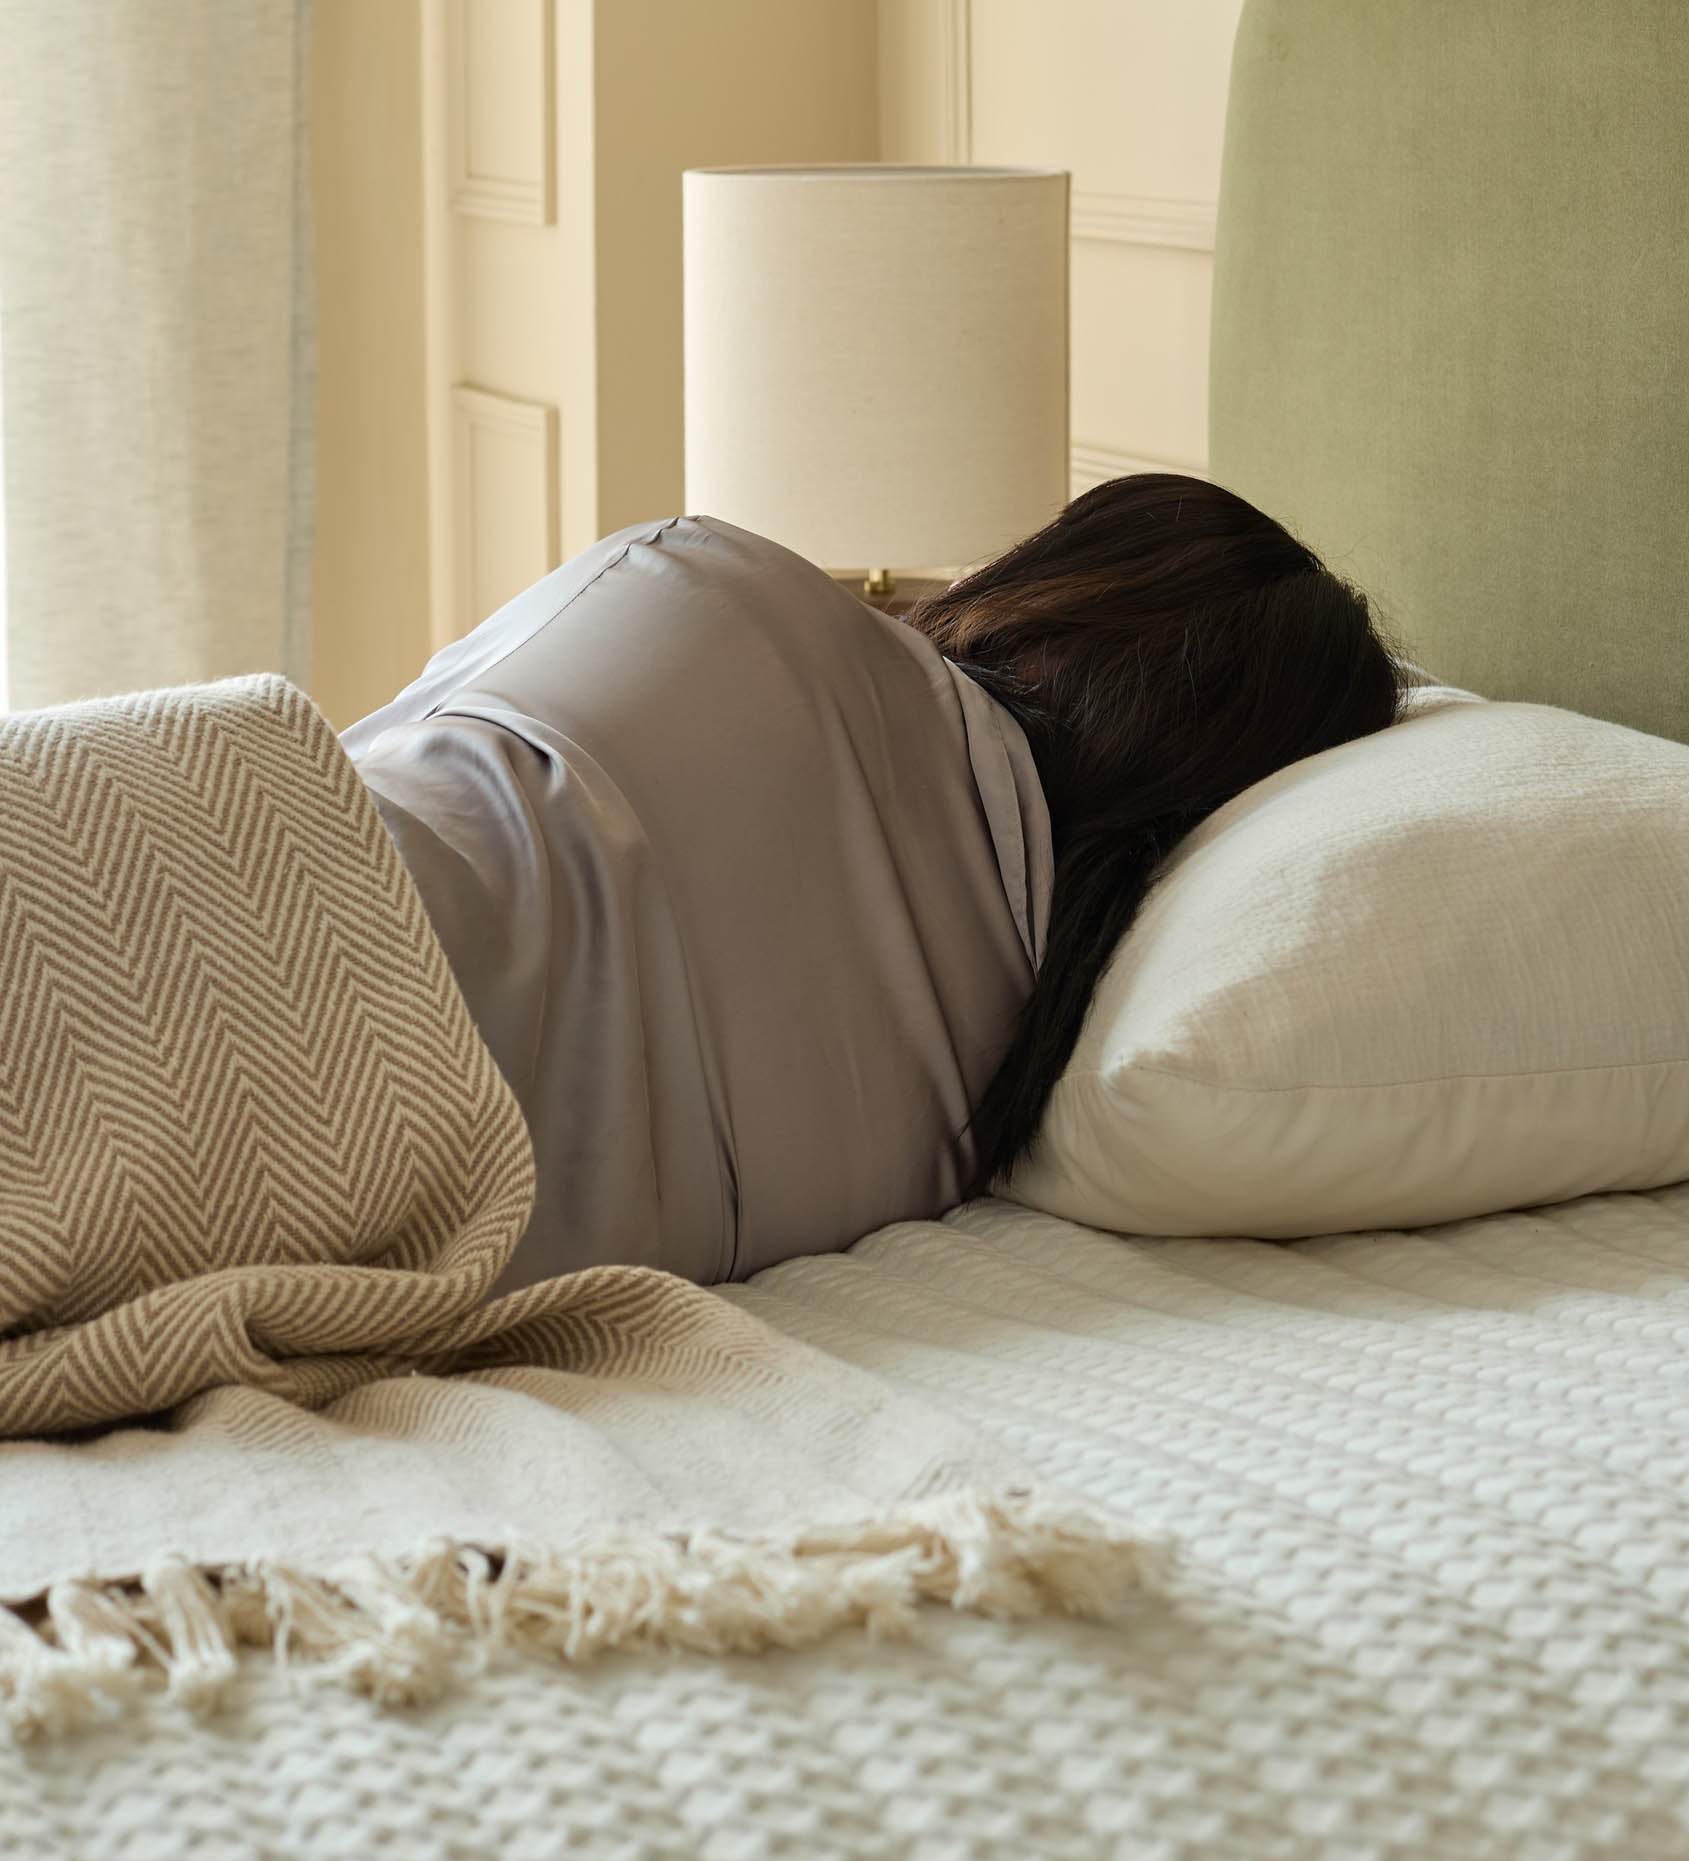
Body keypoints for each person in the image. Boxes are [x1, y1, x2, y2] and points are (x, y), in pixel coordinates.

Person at [341, 474, 1401, 1296]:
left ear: (1051, 586)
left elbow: (369, 769)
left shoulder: (716, 587)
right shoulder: (975, 1115)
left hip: (289, 934)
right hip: (373, 1232)